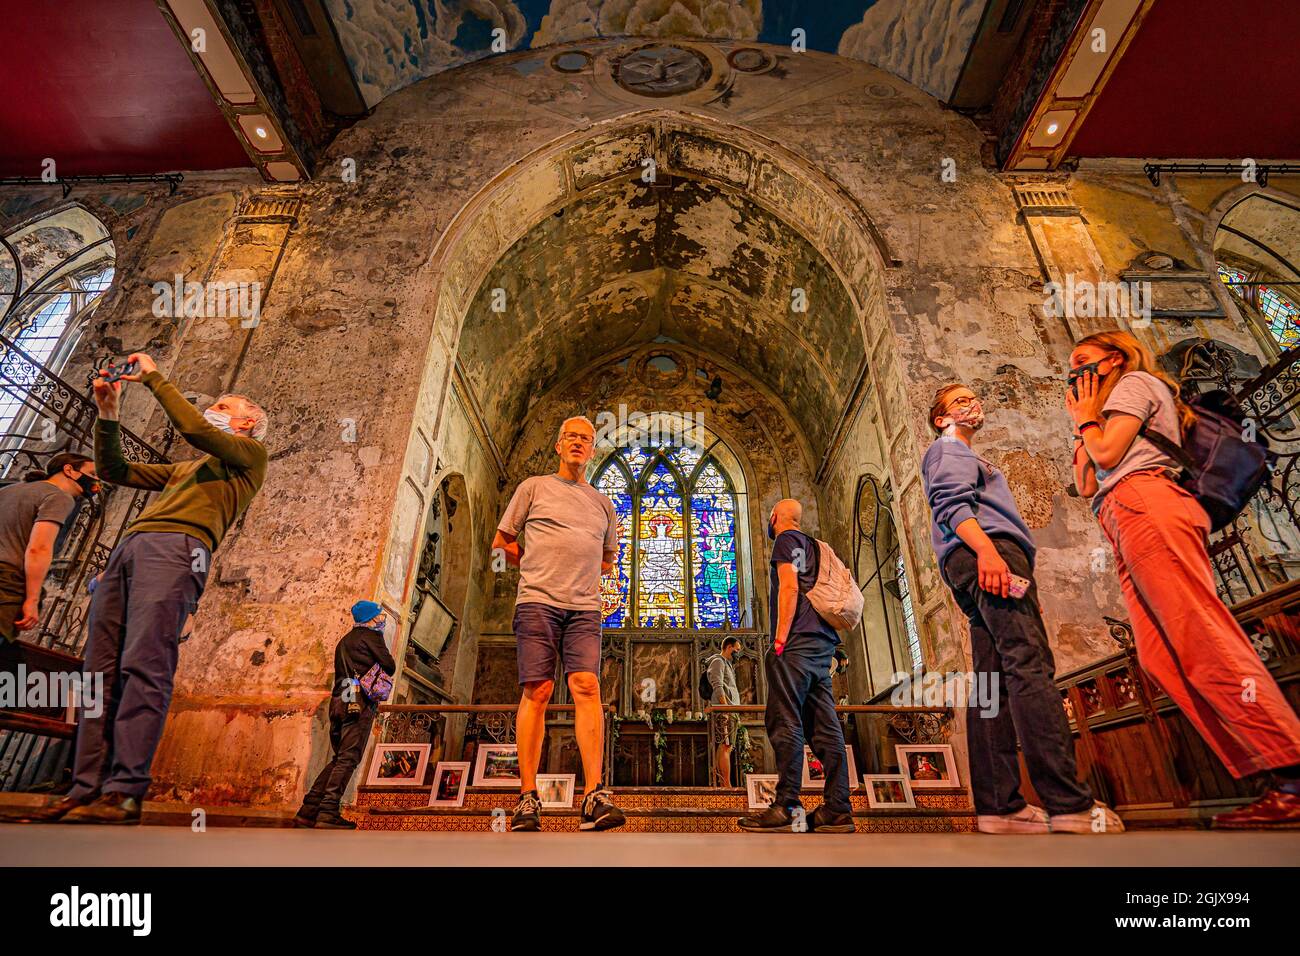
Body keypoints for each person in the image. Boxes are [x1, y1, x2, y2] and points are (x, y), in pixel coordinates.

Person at [13, 352, 269, 825]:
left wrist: (154, 378)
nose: (214, 407)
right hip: (129, 550)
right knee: (98, 670)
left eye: (224, 404)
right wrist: (107, 413)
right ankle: (86, 787)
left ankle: (126, 789)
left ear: (248, 421)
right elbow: (113, 470)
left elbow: (196, 430)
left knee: (145, 663)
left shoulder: (249, 457)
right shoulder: (184, 471)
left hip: (179, 549)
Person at [1068, 330, 1300, 828]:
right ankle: (1264, 772)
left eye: (1083, 361)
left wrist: (1088, 421)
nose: (1075, 373)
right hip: (1121, 515)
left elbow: (1107, 458)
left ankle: (1290, 770)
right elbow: (1086, 482)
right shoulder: (1103, 411)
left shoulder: (1133, 383)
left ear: (1112, 359)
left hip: (1148, 502)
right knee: (1160, 656)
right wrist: (1081, 423)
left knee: (1200, 635)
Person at [923, 382, 1119, 834]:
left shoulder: (959, 451)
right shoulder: (950, 447)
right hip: (987, 552)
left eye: (976, 397)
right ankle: (1068, 803)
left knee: (991, 680)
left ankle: (1000, 808)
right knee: (1029, 666)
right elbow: (951, 504)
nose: (973, 404)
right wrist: (989, 551)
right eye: (960, 401)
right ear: (941, 419)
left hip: (970, 560)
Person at [491, 415, 625, 832]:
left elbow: (608, 561)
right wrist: (533, 563)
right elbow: (501, 545)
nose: (578, 443)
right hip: (537, 601)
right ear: (558, 444)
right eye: (571, 436)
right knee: (540, 688)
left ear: (593, 449)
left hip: (585, 608)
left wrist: (582, 568)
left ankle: (594, 795)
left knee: (587, 686)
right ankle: (527, 798)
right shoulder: (533, 488)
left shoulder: (603, 504)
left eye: (586, 439)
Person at [738, 498, 854, 833]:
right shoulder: (819, 547)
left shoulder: (785, 541)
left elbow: (789, 587)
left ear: (775, 518)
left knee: (784, 719)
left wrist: (779, 640)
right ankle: (838, 808)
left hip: (796, 643)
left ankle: (787, 805)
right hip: (822, 646)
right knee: (825, 726)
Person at [293, 600, 396, 829]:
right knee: (349, 758)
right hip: (358, 702)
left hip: (340, 700)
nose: (382, 619)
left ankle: (309, 809)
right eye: (379, 615)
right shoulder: (371, 637)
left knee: (340, 757)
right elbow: (390, 665)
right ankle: (328, 812)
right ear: (370, 618)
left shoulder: (344, 641)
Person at [0, 453, 100, 648]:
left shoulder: (10, 490)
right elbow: (39, 548)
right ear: (69, 470)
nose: (96, 481)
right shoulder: (58, 496)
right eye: (93, 474)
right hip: (5, 582)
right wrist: (32, 598)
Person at [706, 636, 741, 786]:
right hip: (724, 711)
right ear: (728, 647)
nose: (738, 653)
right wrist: (725, 708)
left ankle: (723, 783)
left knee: (726, 746)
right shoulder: (718, 662)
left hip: (730, 709)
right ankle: (726, 785)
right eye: (736, 650)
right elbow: (718, 686)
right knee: (726, 745)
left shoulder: (728, 664)